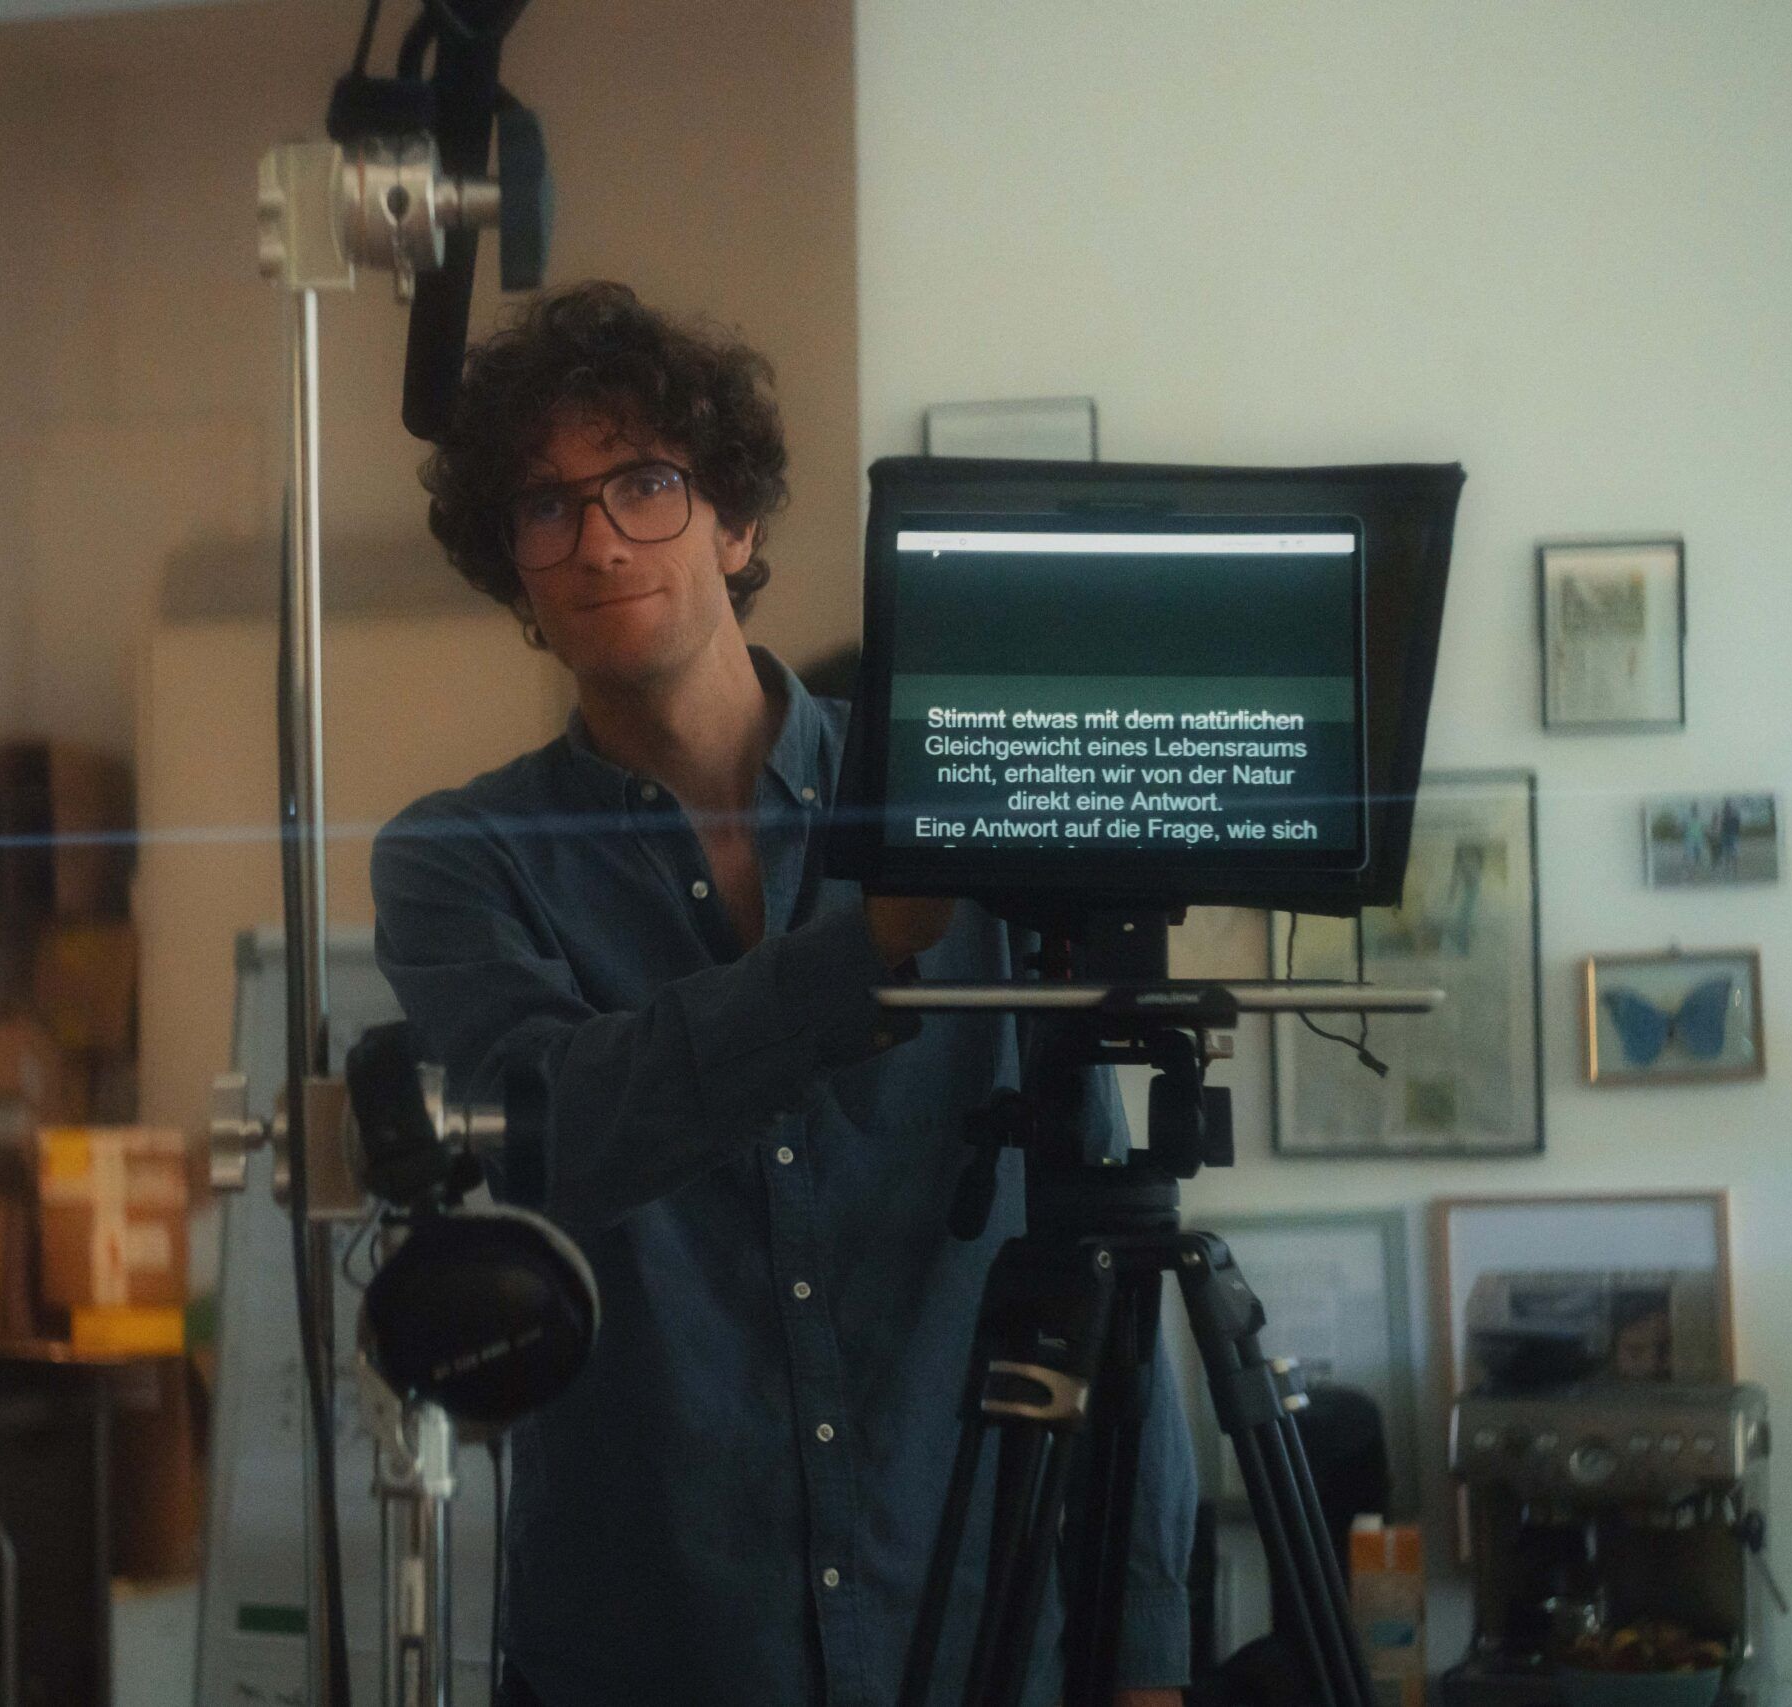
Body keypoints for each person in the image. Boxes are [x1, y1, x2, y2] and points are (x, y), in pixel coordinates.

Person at [371, 281, 1194, 1707]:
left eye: (644, 484)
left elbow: (1104, 1239)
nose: (599, 540)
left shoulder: (955, 797)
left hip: (971, 1647)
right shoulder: (462, 858)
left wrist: (1147, 1660)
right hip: (652, 1664)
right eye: (547, 508)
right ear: (517, 579)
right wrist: (863, 947)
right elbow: (556, 1132)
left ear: (736, 524)